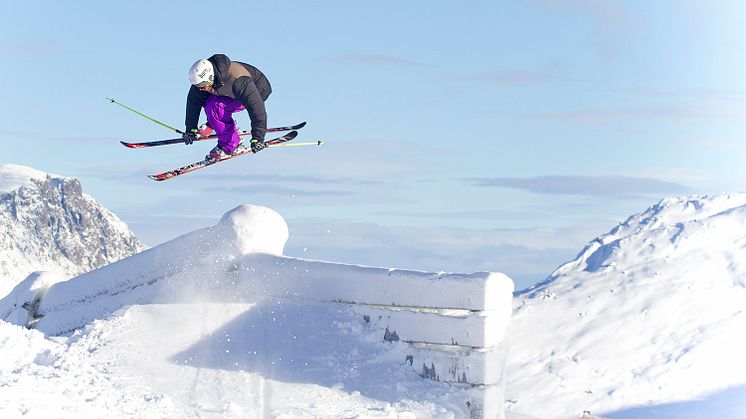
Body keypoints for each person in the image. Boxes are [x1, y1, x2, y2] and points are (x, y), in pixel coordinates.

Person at [183, 54, 272, 160]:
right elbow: (193, 103)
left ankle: (231, 145)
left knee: (215, 106)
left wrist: (258, 137)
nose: (201, 88)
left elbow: (256, 108)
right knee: (207, 101)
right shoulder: (203, 83)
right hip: (229, 92)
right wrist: (190, 129)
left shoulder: (239, 81)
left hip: (258, 92)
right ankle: (215, 123)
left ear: (211, 77)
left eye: (203, 85)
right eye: (198, 86)